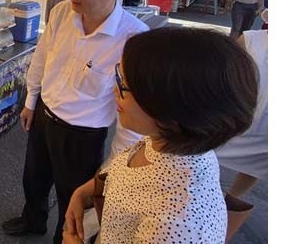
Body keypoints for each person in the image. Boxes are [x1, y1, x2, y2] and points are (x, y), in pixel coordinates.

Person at [1, 0, 149, 244]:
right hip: (45, 112)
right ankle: (33, 220)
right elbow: (42, 57)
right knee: (34, 178)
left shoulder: (134, 39)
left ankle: (66, 238)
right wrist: (31, 101)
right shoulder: (60, 12)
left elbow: (132, 110)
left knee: (74, 196)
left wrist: (117, 164)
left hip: (84, 132)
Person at [62, 27, 258, 244]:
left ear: (169, 109)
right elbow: (123, 171)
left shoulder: (176, 224)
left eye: (125, 85)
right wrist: (83, 192)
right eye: (120, 75)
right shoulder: (165, 141)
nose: (114, 91)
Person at [216, 9, 268, 228]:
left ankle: (228, 202)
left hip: (268, 131)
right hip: (237, 118)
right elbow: (223, 76)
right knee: (199, 153)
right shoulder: (252, 39)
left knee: (258, 164)